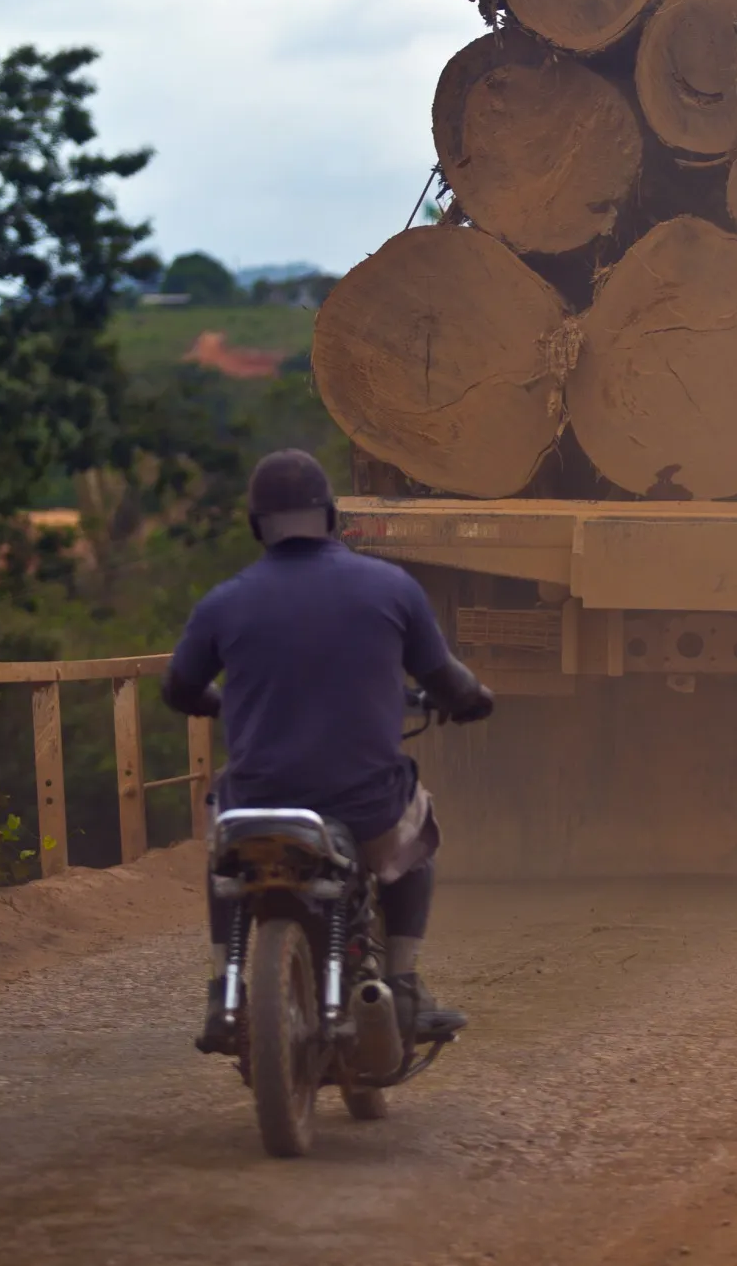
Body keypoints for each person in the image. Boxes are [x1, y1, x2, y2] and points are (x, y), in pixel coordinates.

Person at [162, 448, 493, 1054]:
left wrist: (222, 704)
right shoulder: (392, 587)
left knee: (225, 860)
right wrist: (473, 699)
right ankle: (403, 981)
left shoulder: (223, 602)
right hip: (363, 802)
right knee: (417, 837)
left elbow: (178, 688)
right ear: (332, 516)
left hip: (256, 802)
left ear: (256, 524)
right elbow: (446, 678)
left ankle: (222, 989)